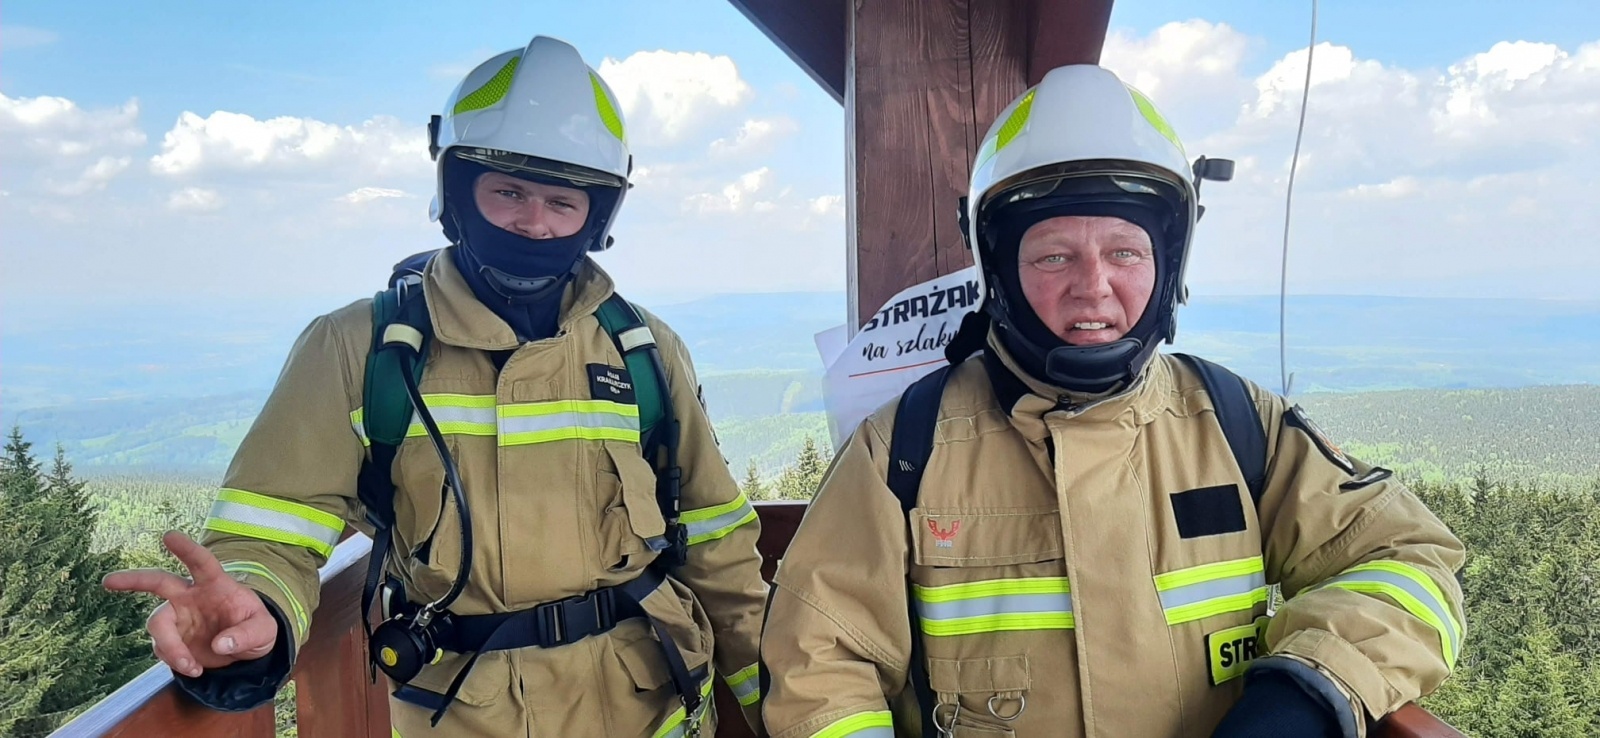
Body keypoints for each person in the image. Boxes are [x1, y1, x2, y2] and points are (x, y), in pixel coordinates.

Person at [758, 65, 1465, 738]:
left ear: (1168, 266)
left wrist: (1308, 690)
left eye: (1124, 253)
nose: (1092, 287)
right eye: (1053, 256)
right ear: (998, 272)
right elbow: (819, 664)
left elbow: (1409, 560)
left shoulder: (1236, 422)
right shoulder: (904, 448)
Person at [103, 35, 769, 738]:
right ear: (457, 191)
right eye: (508, 191)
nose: (533, 222)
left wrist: (781, 711)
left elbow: (719, 546)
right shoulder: (356, 347)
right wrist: (254, 615)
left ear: (596, 216)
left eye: (561, 201)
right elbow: (273, 534)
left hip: (649, 712)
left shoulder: (645, 351)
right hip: (467, 718)